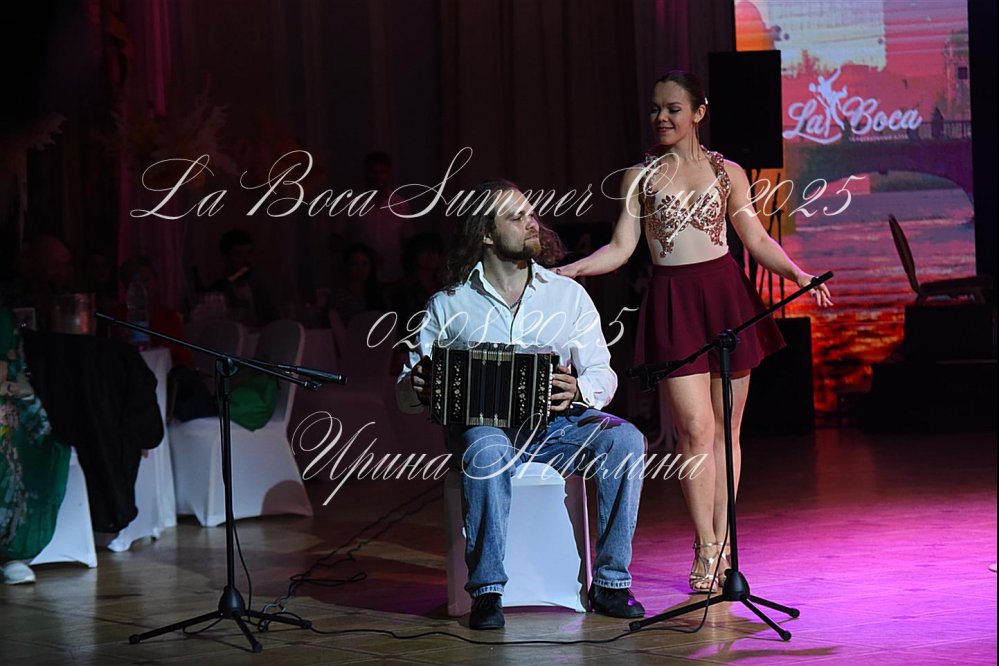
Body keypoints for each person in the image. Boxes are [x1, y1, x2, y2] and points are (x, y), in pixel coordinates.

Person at [557, 71, 833, 594]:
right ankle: (705, 543)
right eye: (655, 108)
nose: (661, 117)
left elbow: (754, 239)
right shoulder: (639, 177)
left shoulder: (729, 172)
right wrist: (572, 270)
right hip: (674, 302)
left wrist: (797, 273)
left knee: (727, 430)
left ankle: (724, 543)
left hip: (725, 296)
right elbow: (621, 248)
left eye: (673, 109)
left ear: (699, 112)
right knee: (694, 429)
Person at [397, 180, 646, 629]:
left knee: (625, 440)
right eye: (516, 217)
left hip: (555, 428)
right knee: (486, 447)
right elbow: (408, 389)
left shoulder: (566, 294)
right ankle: (488, 592)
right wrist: (416, 387)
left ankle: (611, 582)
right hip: (485, 430)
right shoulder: (449, 304)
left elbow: (602, 372)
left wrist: (579, 390)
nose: (532, 223)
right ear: (486, 234)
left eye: (531, 213)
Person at [207, 229, 278, 327]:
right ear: (225, 257)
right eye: (238, 254)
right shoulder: (217, 292)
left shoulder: (261, 286)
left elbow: (275, 319)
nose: (246, 260)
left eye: (249, 253)